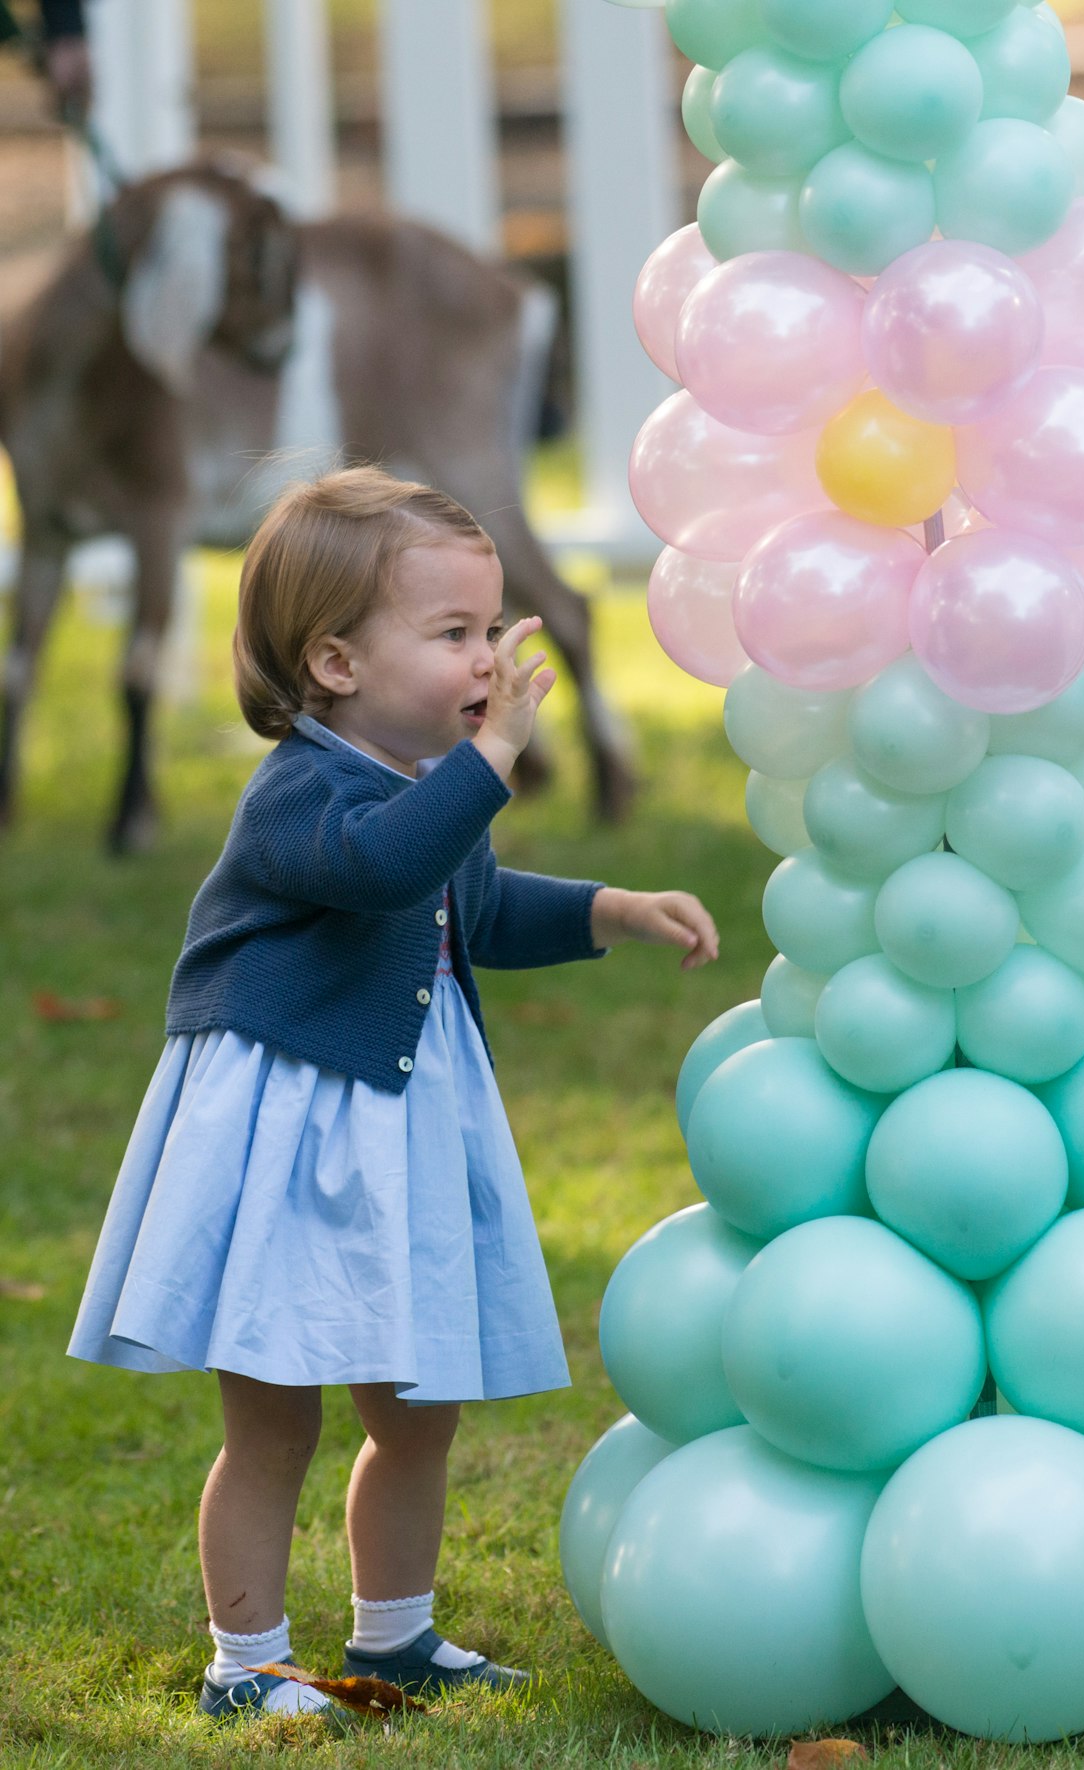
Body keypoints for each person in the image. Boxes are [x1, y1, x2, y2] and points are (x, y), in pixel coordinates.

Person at [67, 467, 719, 1720]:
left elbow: (466, 898)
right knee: (275, 1422)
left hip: (398, 1129)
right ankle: (245, 1666)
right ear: (336, 665)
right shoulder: (302, 795)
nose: (488, 658)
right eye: (454, 634)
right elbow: (380, 875)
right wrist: (494, 761)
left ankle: (395, 1635)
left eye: (492, 628)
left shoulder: (432, 788)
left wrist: (608, 910)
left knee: (421, 1409)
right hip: (287, 1138)